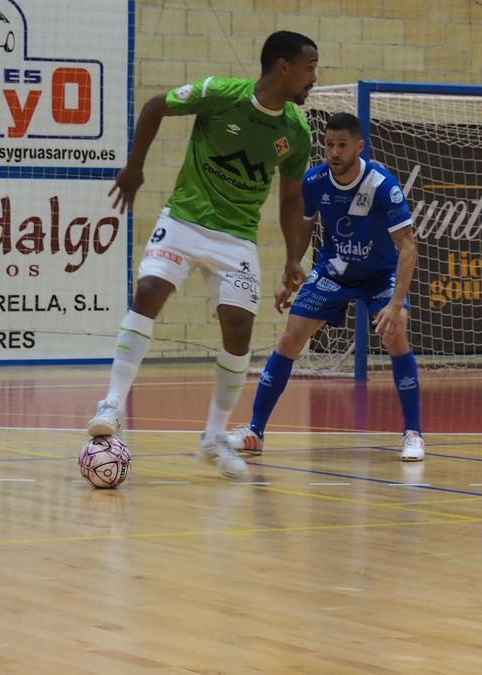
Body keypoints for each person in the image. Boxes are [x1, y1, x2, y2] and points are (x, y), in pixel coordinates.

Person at [86, 31, 319, 479]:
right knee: (150, 290)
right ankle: (112, 403)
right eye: (310, 67)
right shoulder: (221, 94)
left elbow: (291, 200)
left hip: (237, 238)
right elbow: (156, 106)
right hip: (185, 220)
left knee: (239, 329)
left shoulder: (296, 130)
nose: (314, 77)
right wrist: (135, 168)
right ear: (284, 67)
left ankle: (214, 438)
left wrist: (293, 258)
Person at [226, 112, 425, 461]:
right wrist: (292, 267)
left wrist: (395, 303)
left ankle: (413, 433)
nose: (334, 152)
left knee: (397, 334)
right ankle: (255, 432)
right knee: (290, 338)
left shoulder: (383, 186)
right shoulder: (314, 181)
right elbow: (305, 226)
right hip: (333, 271)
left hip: (379, 275)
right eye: (329, 144)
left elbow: (408, 246)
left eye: (342, 145)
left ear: (359, 147)